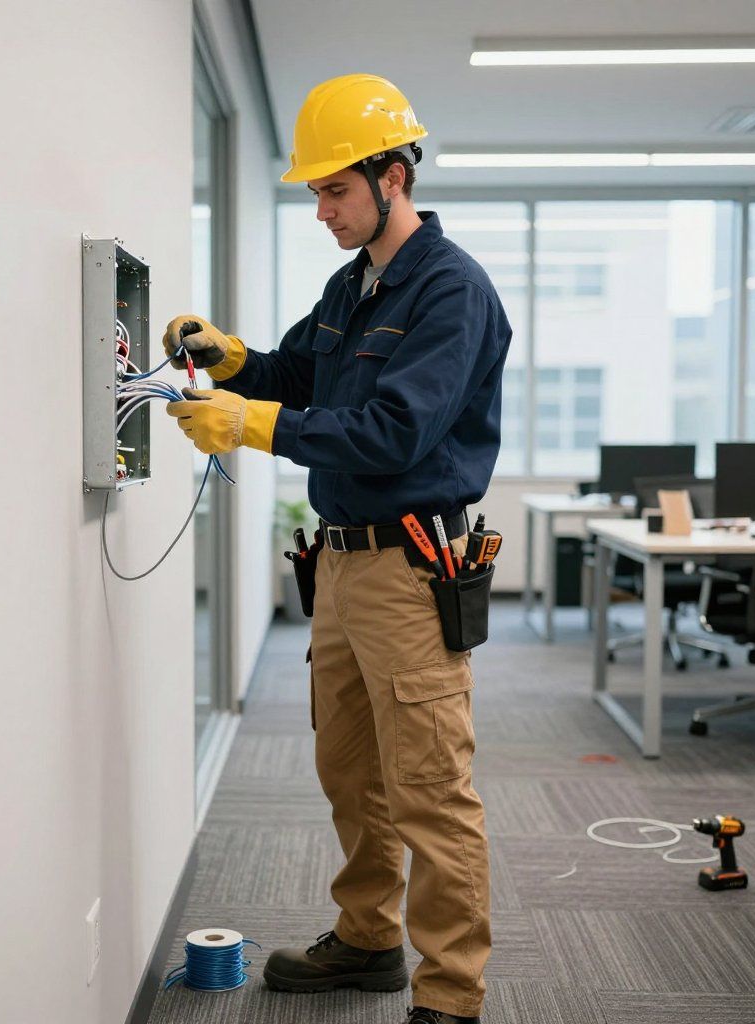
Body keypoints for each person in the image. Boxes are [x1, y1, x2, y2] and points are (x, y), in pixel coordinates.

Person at [163, 73, 512, 1024]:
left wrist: (253, 424)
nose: (321, 210)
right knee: (351, 771)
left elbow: (391, 431)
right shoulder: (352, 282)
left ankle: (451, 996)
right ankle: (368, 941)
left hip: (411, 569)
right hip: (343, 566)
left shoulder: (452, 291)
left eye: (335, 191)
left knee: (430, 788)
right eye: (314, 193)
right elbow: (298, 373)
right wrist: (235, 360)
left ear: (392, 176)